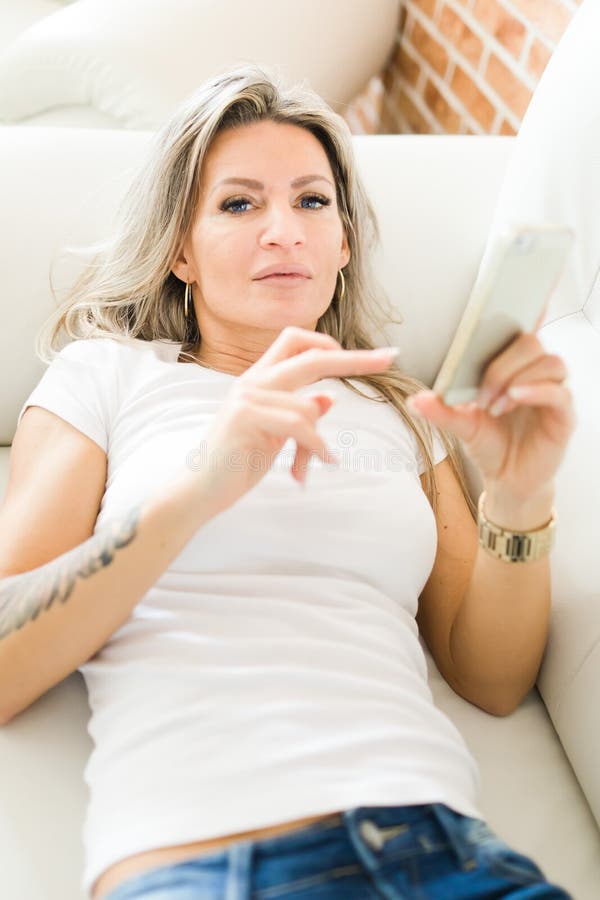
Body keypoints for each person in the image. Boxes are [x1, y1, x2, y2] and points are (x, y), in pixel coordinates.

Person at [0, 64, 575, 900]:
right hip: (211, 865)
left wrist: (520, 500)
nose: (285, 231)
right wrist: (203, 484)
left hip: (442, 851)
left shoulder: (403, 405)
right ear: (179, 251)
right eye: (239, 203)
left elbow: (490, 679)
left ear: (343, 244)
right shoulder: (109, 376)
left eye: (312, 201)